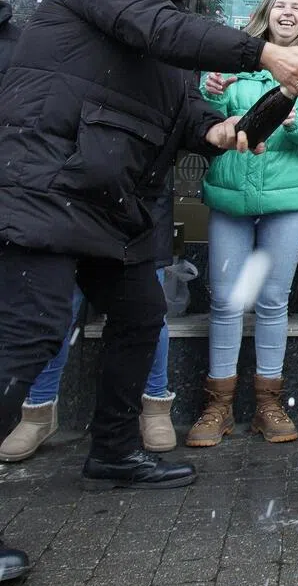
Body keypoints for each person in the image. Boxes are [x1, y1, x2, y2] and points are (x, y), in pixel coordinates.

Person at [0, 0, 298, 583]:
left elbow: (185, 118)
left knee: (142, 313)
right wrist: (262, 52)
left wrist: (226, 129)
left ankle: (114, 450)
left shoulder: (163, 21)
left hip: (105, 201)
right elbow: (156, 28)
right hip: (46, 179)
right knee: (27, 332)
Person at [186, 0, 298, 447]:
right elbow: (202, 122)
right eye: (280, 4)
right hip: (230, 199)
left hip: (288, 204)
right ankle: (217, 406)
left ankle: (267, 403)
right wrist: (208, 90)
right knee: (226, 301)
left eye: (297, 7)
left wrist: (294, 118)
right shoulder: (235, 63)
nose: (288, 12)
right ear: (266, 14)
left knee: (274, 301)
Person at [0, 183, 177, 464]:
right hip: (63, 207)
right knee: (54, 312)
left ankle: (154, 406)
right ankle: (38, 410)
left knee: (148, 312)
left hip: (137, 205)